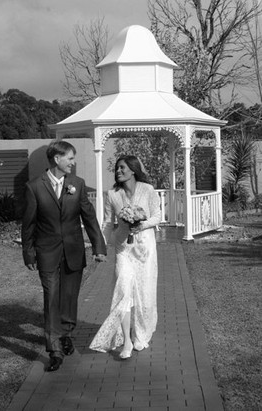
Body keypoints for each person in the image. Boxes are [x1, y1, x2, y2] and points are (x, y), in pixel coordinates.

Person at [21, 140, 106, 372]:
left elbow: (89, 217)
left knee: (69, 297)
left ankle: (65, 333)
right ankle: (54, 349)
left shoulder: (77, 184)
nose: (73, 162)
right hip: (47, 252)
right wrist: (28, 253)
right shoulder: (34, 187)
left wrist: (99, 246)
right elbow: (28, 224)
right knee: (51, 298)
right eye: (70, 158)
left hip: (73, 251)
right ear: (57, 159)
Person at [89, 155, 160, 359]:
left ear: (133, 170)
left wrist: (142, 224)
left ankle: (140, 335)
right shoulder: (113, 194)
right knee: (123, 290)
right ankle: (126, 342)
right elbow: (108, 223)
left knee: (144, 294)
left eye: (122, 168)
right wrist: (101, 247)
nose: (118, 171)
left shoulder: (148, 190)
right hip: (123, 249)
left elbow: (157, 216)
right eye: (117, 168)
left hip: (145, 249)